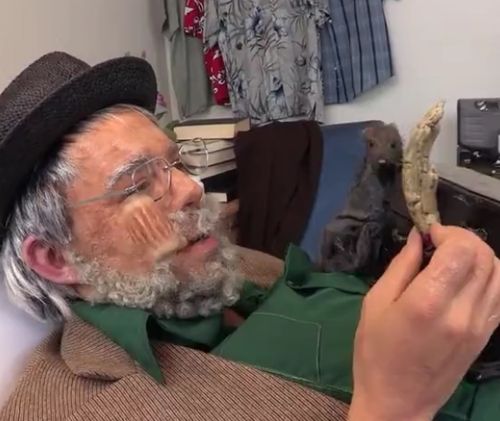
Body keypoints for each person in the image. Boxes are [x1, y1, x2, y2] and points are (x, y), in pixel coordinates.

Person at [0, 52, 499, 421]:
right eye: (135, 186)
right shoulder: (72, 407)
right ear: (54, 257)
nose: (192, 188)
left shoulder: (223, 266)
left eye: (175, 164)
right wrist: (392, 407)